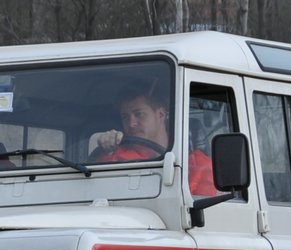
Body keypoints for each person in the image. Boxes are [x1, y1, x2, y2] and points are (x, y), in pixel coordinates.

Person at [88, 81, 218, 197]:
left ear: (160, 114)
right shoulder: (115, 160)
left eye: (139, 114)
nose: (131, 123)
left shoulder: (198, 166)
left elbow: (204, 214)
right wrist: (107, 149)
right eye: (125, 117)